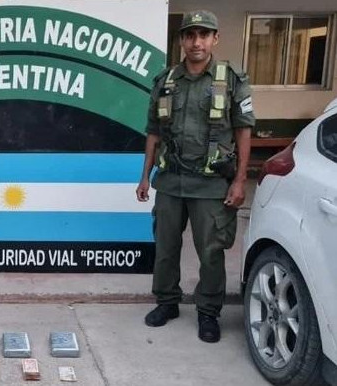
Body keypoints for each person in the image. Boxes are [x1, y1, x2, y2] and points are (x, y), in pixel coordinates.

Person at [136, 10, 254, 343]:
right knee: (166, 247)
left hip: (212, 184)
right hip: (171, 181)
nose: (196, 42)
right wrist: (145, 176)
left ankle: (208, 312)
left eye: (204, 35)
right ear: (182, 40)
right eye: (190, 35)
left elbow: (244, 131)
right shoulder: (165, 81)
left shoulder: (231, 79)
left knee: (211, 251)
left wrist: (239, 180)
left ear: (215, 39)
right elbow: (153, 132)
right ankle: (167, 302)